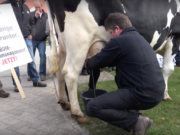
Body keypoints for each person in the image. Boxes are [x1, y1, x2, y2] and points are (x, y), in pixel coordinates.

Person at [85, 13, 165, 135]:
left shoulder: (119, 41)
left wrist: (87, 62)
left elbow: (97, 62)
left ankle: (138, 121)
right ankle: (133, 113)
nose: (111, 37)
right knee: (123, 87)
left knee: (92, 106)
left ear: (117, 28)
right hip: (156, 91)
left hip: (142, 94)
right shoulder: (139, 38)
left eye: (111, 32)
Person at [1, 0, 47, 92]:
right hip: (13, 39)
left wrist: (32, 34)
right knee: (15, 63)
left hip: (27, 38)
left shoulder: (25, 7)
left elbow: (32, 23)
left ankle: (36, 81)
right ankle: (17, 84)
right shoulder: (5, 6)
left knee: (31, 60)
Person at [28, 0, 48, 81]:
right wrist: (35, 17)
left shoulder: (46, 15)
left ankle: (42, 74)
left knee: (42, 56)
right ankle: (31, 74)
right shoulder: (31, 14)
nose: (37, 9)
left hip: (42, 40)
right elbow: (29, 25)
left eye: (38, 7)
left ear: (41, 6)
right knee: (30, 58)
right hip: (32, 39)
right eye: (36, 7)